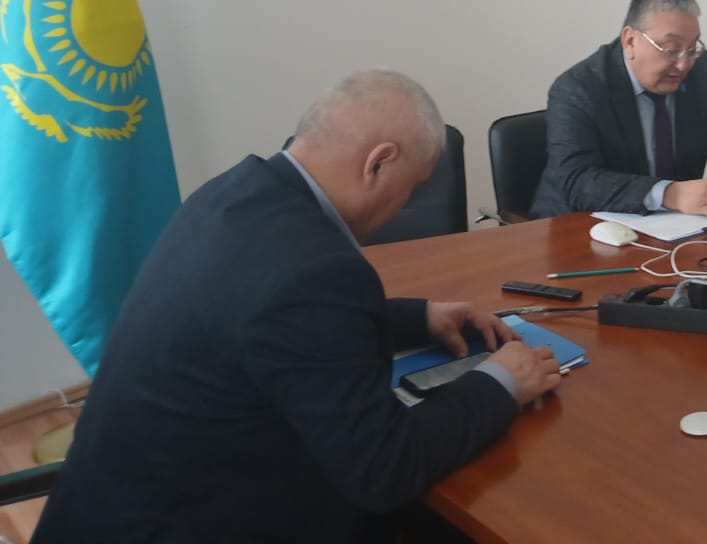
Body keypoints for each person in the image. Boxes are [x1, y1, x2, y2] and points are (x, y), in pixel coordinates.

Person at [33, 70, 563, 544]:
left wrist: (417, 317)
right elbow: (384, 469)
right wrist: (501, 381)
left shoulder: (233, 193)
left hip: (111, 507)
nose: (406, 203)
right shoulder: (316, 270)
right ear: (379, 163)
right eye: (413, 187)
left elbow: (271, 324)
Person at [532, 0, 707, 218]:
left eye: (692, 49)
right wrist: (668, 193)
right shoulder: (578, 88)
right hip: (579, 226)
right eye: (671, 49)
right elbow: (577, 181)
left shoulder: (701, 70)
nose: (684, 64)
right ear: (630, 41)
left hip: (672, 226)